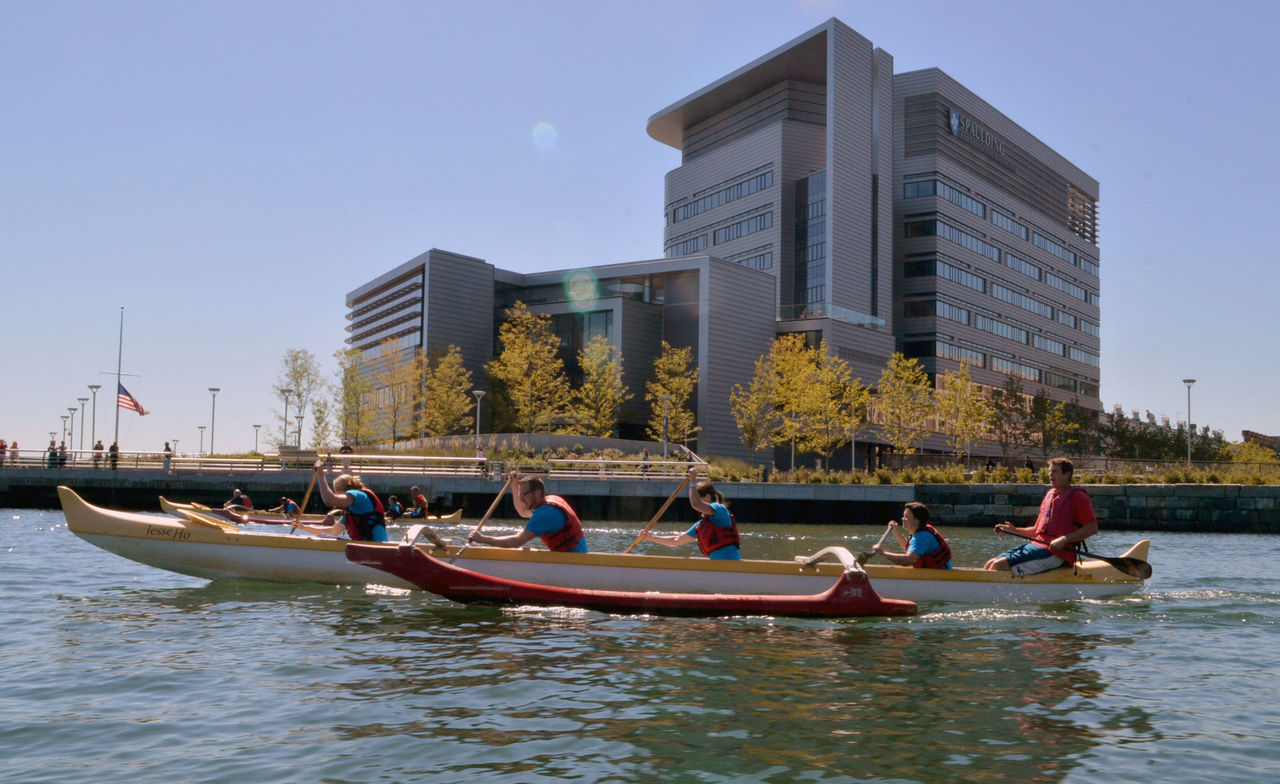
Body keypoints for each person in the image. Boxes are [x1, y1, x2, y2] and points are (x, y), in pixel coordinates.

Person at [985, 457, 1098, 575]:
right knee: (991, 563)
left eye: (1055, 471)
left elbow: (1092, 528)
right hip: (1038, 547)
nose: (1050, 474)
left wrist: (1064, 539)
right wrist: (1014, 530)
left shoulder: (1078, 496)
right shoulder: (1050, 495)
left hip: (1058, 553)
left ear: (1067, 474)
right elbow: (1036, 531)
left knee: (999, 565)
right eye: (1049, 471)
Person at [467, 471, 588, 553]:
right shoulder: (550, 502)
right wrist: (514, 485)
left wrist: (483, 539)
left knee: (522, 549)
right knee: (527, 551)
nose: (521, 499)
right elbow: (523, 512)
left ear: (537, 492)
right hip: (568, 559)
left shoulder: (546, 513)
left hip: (573, 562)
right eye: (520, 495)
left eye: (524, 495)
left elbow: (517, 541)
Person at [640, 466, 741, 560]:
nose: (693, 501)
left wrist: (692, 481)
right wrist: (651, 538)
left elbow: (695, 504)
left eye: (698, 497)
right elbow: (676, 540)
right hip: (716, 566)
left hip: (731, 564)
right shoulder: (700, 526)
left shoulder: (720, 510)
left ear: (708, 497)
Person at [291, 461, 392, 542]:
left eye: (335, 492)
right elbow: (332, 531)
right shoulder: (351, 511)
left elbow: (329, 500)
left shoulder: (359, 495)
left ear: (340, 491)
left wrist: (321, 473)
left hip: (375, 550)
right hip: (365, 548)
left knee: (323, 538)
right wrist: (303, 527)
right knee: (323, 536)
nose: (336, 495)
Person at [869, 502, 952, 569]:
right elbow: (910, 548)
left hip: (939, 577)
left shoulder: (922, 536)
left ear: (917, 520)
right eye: (903, 516)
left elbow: (908, 560)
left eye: (907, 516)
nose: (902, 519)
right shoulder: (921, 531)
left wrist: (883, 553)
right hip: (931, 575)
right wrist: (895, 532)